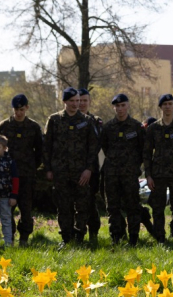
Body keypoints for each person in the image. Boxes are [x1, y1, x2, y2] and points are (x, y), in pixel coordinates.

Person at [43, 87, 97, 248]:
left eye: (78, 101)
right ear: (65, 101)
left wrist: (89, 169)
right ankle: (66, 238)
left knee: (82, 206)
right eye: (72, 101)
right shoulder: (54, 120)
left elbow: (93, 148)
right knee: (63, 206)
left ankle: (79, 237)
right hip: (60, 172)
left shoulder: (87, 121)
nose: (76, 104)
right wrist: (48, 169)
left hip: (81, 172)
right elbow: (47, 146)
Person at [100, 94, 150, 246]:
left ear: (128, 106)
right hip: (112, 174)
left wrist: (134, 165)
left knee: (132, 206)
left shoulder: (136, 127)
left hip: (130, 174)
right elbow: (105, 147)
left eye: (123, 105)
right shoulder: (108, 128)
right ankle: (116, 237)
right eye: (117, 106)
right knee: (113, 207)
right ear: (113, 107)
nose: (120, 109)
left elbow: (143, 149)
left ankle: (134, 238)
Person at [143, 94, 173, 245]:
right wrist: (148, 175)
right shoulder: (153, 128)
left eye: (170, 104)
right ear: (161, 107)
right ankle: (160, 238)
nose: (168, 107)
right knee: (158, 209)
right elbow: (146, 153)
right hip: (157, 175)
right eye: (165, 104)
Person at [0, 94, 43, 246]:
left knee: (26, 208)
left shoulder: (33, 127)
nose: (19, 113)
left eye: (22, 109)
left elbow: (40, 151)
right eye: (16, 110)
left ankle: (24, 238)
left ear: (27, 108)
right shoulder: (4, 126)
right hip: (6, 177)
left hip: (27, 175)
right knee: (7, 209)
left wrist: (32, 166)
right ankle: (9, 238)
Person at [78, 88, 103, 245]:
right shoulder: (69, 120)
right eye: (79, 100)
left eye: (85, 100)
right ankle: (78, 233)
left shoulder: (96, 121)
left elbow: (101, 145)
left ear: (90, 102)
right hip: (73, 168)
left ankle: (93, 233)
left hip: (92, 170)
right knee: (77, 203)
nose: (81, 103)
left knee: (90, 201)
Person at [0, 135, 18, 247]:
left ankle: (8, 244)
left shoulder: (10, 162)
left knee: (6, 220)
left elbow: (15, 180)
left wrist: (14, 195)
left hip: (6, 196)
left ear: (5, 148)